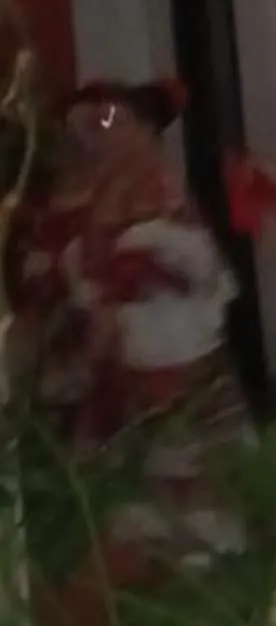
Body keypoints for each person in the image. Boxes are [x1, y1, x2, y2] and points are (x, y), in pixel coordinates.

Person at [18, 78, 248, 551]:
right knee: (135, 474)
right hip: (125, 353)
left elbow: (202, 267)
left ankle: (215, 553)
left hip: (175, 344)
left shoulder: (161, 183)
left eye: (116, 122)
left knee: (198, 464)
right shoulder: (98, 189)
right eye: (98, 124)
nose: (103, 134)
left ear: (146, 130)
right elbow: (81, 267)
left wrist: (141, 263)